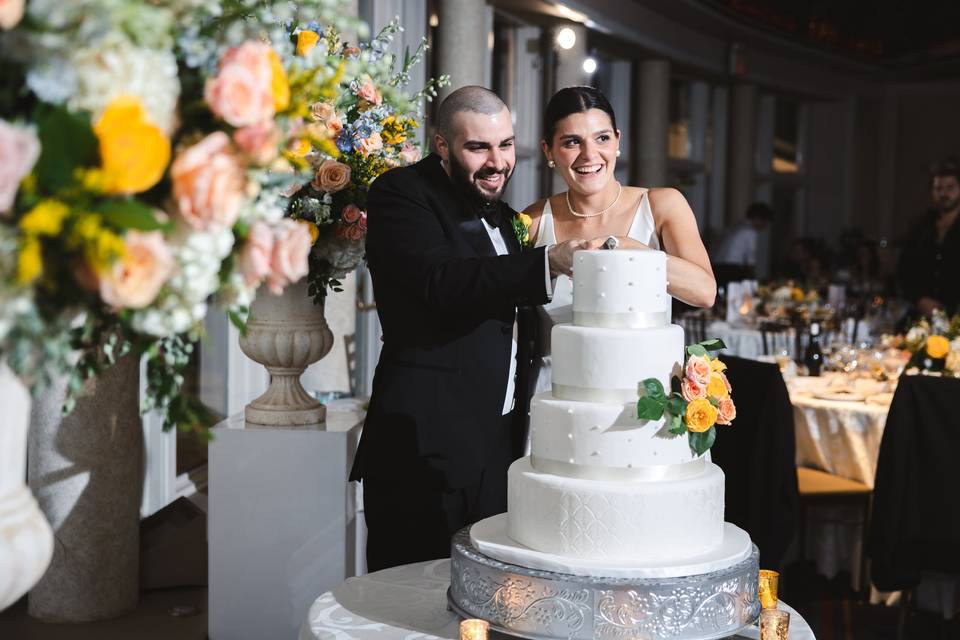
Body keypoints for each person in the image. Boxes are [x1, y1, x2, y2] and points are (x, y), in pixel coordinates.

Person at [348, 86, 583, 571]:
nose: (497, 162)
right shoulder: (401, 194)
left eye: (505, 146)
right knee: (412, 595)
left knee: (482, 594)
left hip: (499, 446)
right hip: (425, 447)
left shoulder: (508, 217)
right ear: (441, 145)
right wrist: (548, 261)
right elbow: (441, 282)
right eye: (478, 147)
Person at [521, 86, 716, 394]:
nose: (589, 154)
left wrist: (638, 254)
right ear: (548, 150)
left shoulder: (661, 205)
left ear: (617, 142)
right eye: (572, 142)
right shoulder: (532, 222)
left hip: (640, 401)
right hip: (555, 399)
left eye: (602, 138)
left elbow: (705, 292)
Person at [897, 156, 960, 317]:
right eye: (938, 188)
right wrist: (920, 300)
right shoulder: (920, 226)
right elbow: (904, 270)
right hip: (922, 314)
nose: (944, 193)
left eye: (950, 188)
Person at [712, 202, 774, 283]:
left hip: (716, 265)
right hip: (730, 268)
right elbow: (750, 260)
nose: (764, 226)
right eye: (765, 222)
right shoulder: (750, 231)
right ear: (758, 219)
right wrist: (753, 277)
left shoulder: (736, 226)